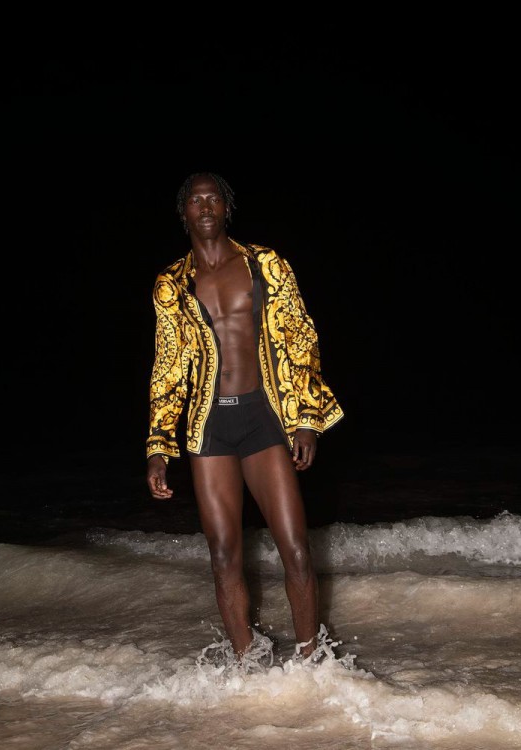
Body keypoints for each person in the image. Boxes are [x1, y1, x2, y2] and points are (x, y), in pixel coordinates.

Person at [146, 171, 344, 662]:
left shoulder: (266, 264)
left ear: (227, 207)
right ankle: (246, 665)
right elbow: (168, 364)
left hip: (263, 418)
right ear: (184, 212)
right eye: (196, 200)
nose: (205, 206)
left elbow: (301, 337)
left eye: (214, 198)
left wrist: (307, 417)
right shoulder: (171, 284)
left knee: (295, 546)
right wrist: (158, 445)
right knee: (222, 553)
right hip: (210, 425)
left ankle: (311, 662)